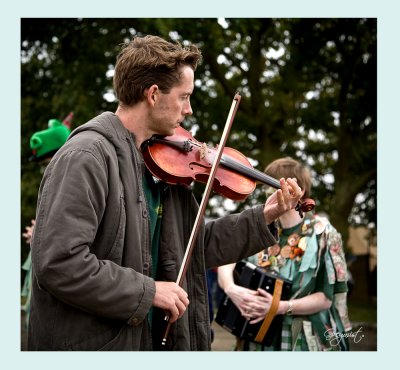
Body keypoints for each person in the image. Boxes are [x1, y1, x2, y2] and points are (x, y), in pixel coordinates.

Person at [27, 35, 303, 351]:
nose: (189, 109)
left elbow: (192, 247)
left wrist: (264, 216)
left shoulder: (165, 168)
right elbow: (59, 263)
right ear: (154, 95)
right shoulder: (86, 157)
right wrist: (149, 292)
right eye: (185, 97)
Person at [218, 157, 352, 351]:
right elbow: (226, 258)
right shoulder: (262, 228)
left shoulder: (324, 233)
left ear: (298, 191)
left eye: (273, 186)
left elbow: (325, 298)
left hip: (302, 341)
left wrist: (279, 307)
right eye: (265, 187)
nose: (267, 193)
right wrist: (231, 288)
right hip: (256, 340)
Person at [21, 115, 72, 328]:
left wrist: (40, 234)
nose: (46, 167)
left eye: (47, 161)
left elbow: (68, 229)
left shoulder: (71, 175)